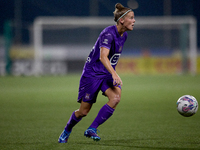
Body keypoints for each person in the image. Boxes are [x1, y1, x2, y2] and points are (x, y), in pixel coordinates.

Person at [58, 3, 135, 143]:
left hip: (105, 74)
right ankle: (67, 129)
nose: (134, 21)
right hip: (92, 74)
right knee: (83, 112)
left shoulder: (124, 36)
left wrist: (111, 73)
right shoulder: (108, 33)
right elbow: (103, 57)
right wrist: (115, 74)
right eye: (131, 18)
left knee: (116, 98)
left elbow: (111, 59)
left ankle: (92, 128)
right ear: (122, 20)